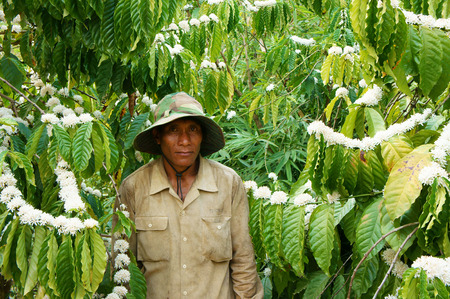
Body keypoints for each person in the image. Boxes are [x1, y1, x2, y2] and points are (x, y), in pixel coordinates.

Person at [117, 92, 263, 298]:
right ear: (157, 136)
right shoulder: (134, 188)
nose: (185, 140)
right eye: (173, 130)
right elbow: (123, 264)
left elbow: (243, 261)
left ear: (202, 135)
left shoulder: (227, 183)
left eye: (193, 129)